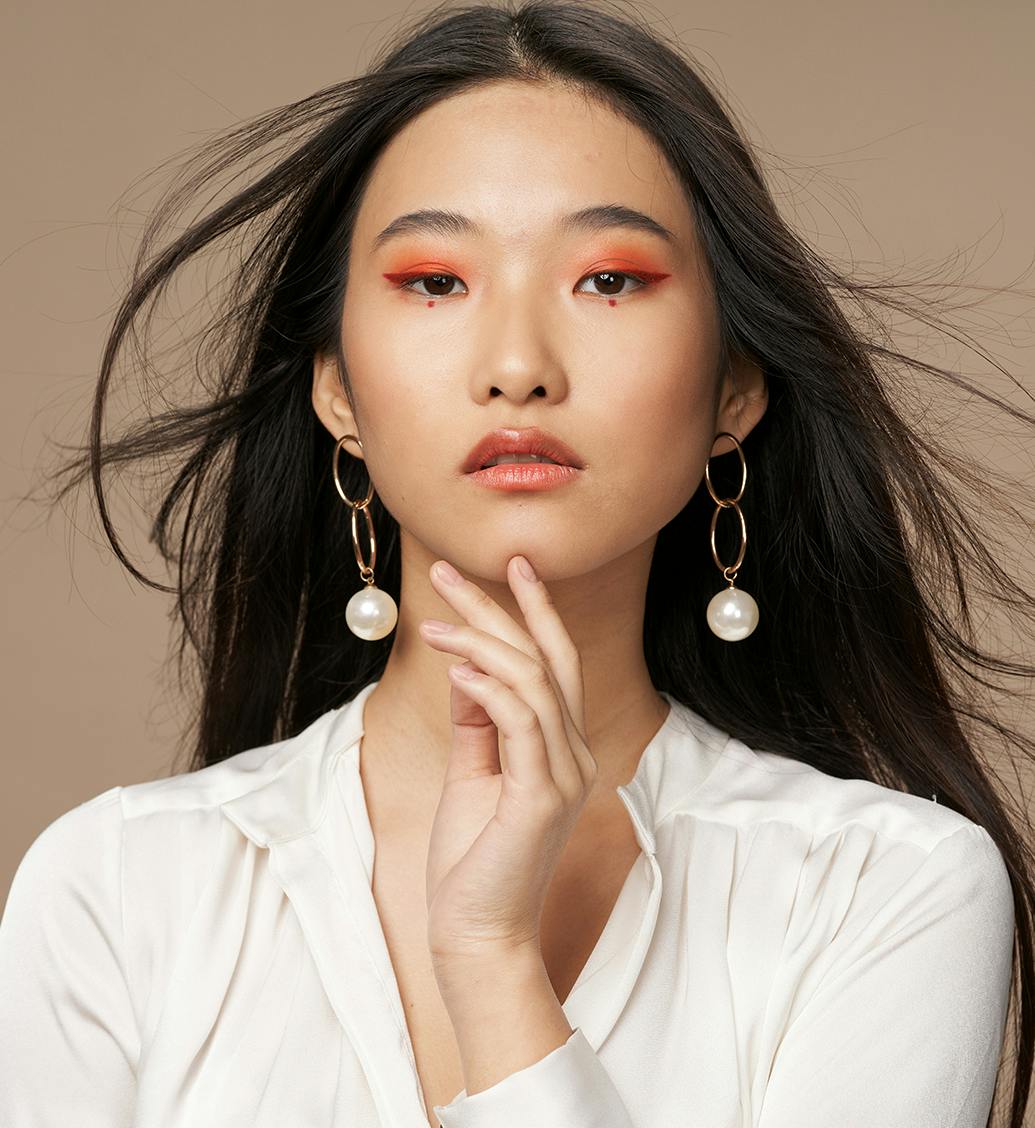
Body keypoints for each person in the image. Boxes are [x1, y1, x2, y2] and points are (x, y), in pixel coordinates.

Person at [2, 1, 1033, 1125]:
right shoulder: (115, 887)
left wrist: (492, 965)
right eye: (435, 281)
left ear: (734, 389)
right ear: (337, 390)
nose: (517, 366)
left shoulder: (883, 889)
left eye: (609, 280)